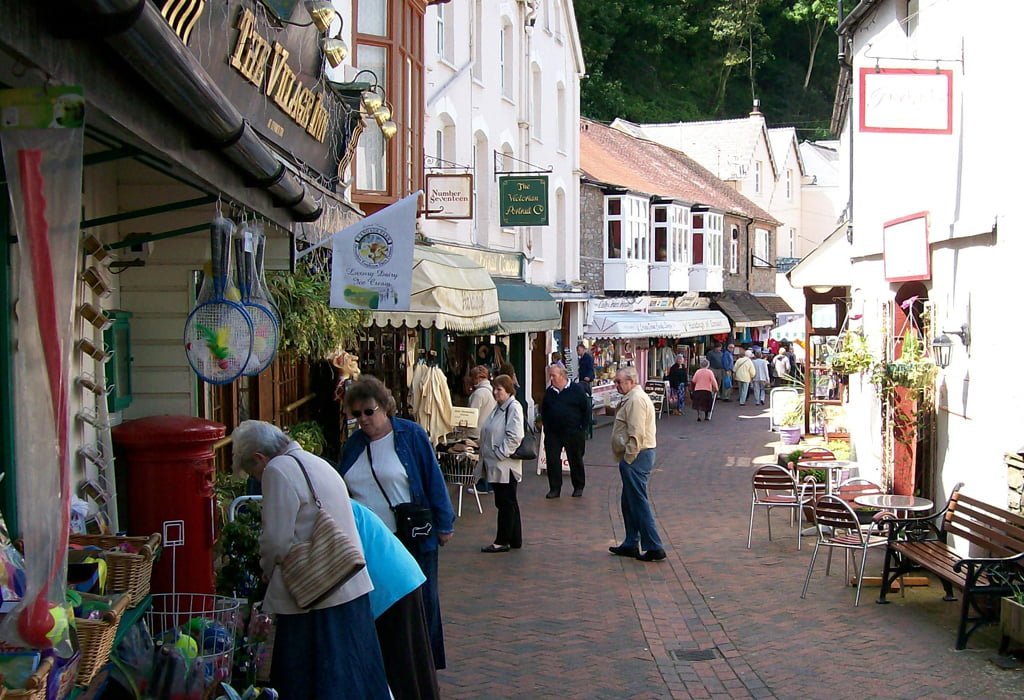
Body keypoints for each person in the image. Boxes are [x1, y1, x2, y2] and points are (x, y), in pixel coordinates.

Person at [231, 420, 390, 699]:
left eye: (254, 472)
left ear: (260, 457)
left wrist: (266, 568)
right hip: (345, 577)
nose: (257, 478)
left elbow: (276, 540)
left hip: (314, 589)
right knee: (352, 672)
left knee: (312, 677)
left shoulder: (277, 470)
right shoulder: (315, 462)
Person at [337, 376, 456, 670]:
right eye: (357, 414)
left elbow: (432, 478)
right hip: (369, 541)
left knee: (420, 601)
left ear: (385, 407)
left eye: (369, 411)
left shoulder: (410, 435)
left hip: (409, 534)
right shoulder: (353, 446)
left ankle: (423, 666)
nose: (363, 419)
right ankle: (384, 664)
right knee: (378, 601)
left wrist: (444, 523)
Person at [351, 501, 440, 700]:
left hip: (391, 583)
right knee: (412, 662)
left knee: (404, 665)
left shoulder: (333, 505)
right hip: (397, 577)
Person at [607, 367, 665, 562]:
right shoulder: (632, 398)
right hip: (635, 455)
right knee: (629, 501)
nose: (616, 385)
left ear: (631, 381)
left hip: (637, 456)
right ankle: (631, 542)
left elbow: (637, 433)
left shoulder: (636, 400)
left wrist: (629, 458)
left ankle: (654, 546)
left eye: (619, 381)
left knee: (638, 501)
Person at [478, 374, 524, 552]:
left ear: (508, 390)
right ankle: (515, 539)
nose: (495, 392)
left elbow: (515, 436)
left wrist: (499, 454)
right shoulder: (499, 407)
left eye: (499, 389)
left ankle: (502, 540)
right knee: (508, 501)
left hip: (505, 465)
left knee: (505, 503)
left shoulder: (513, 407)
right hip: (497, 465)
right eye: (494, 389)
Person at [539, 365, 590, 499]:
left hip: (573, 431)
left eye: (553, 376)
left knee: (575, 459)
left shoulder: (576, 390)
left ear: (562, 376)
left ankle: (578, 486)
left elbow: (586, 410)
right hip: (553, 433)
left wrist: (582, 428)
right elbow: (544, 410)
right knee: (552, 460)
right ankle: (555, 488)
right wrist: (547, 427)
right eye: (550, 375)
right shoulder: (550, 392)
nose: (551, 378)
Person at [466, 365, 497, 495]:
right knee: (486, 458)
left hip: (477, 430)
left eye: (473, 378)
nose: (471, 380)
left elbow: (472, 414)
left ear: (478, 378)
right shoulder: (491, 391)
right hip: (487, 429)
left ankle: (482, 485)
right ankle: (489, 485)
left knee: (479, 460)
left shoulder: (478, 394)